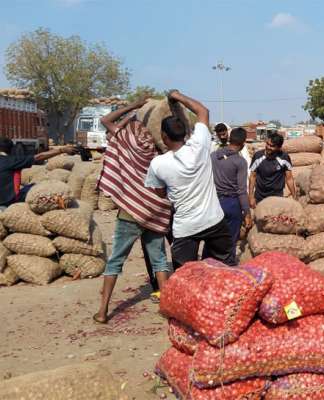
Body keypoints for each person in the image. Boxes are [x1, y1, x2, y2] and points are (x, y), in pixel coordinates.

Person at [94, 98, 173, 323]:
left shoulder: (130, 140)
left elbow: (105, 120)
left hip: (130, 210)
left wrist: (133, 106)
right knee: (158, 259)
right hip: (155, 210)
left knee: (115, 261)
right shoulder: (161, 151)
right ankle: (167, 308)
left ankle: (102, 311)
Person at [145, 90, 235, 269]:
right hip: (213, 220)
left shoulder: (158, 164)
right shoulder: (200, 145)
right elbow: (203, 111)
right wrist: (177, 96)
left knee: (186, 278)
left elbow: (160, 193)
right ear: (186, 132)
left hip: (185, 227)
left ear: (164, 137)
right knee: (227, 270)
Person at [0, 138, 76, 211]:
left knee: (29, 187)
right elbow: (38, 157)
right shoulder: (11, 161)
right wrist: (61, 150)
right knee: (38, 189)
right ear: (10, 149)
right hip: (7, 200)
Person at [211, 127, 251, 263]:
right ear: (243, 143)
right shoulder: (240, 162)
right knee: (230, 243)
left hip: (214, 203)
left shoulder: (214, 156)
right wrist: (247, 213)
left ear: (229, 138)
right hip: (232, 204)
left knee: (214, 240)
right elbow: (241, 190)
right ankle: (228, 270)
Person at [248, 132, 295, 208]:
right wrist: (251, 197)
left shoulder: (284, 157)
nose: (268, 147)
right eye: (267, 144)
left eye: (272, 146)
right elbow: (252, 177)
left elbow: (289, 179)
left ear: (279, 147)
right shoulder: (258, 156)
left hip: (277, 197)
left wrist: (294, 196)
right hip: (260, 197)